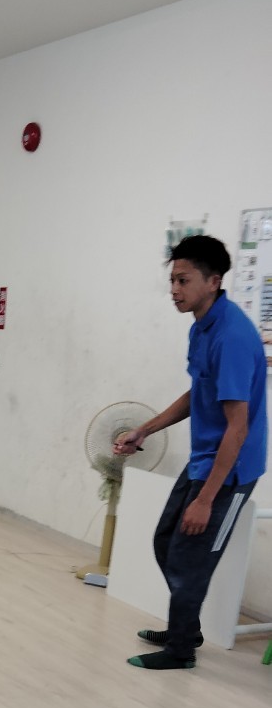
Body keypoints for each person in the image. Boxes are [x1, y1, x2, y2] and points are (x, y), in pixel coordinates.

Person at [114, 235, 267, 670]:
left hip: (231, 468)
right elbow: (197, 392)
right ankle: (187, 629)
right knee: (167, 541)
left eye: (183, 280)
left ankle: (181, 651)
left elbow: (238, 427)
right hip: (206, 458)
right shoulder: (202, 326)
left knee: (189, 558)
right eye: (172, 280)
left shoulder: (231, 336)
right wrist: (145, 429)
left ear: (213, 281)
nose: (174, 290)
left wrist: (205, 499)